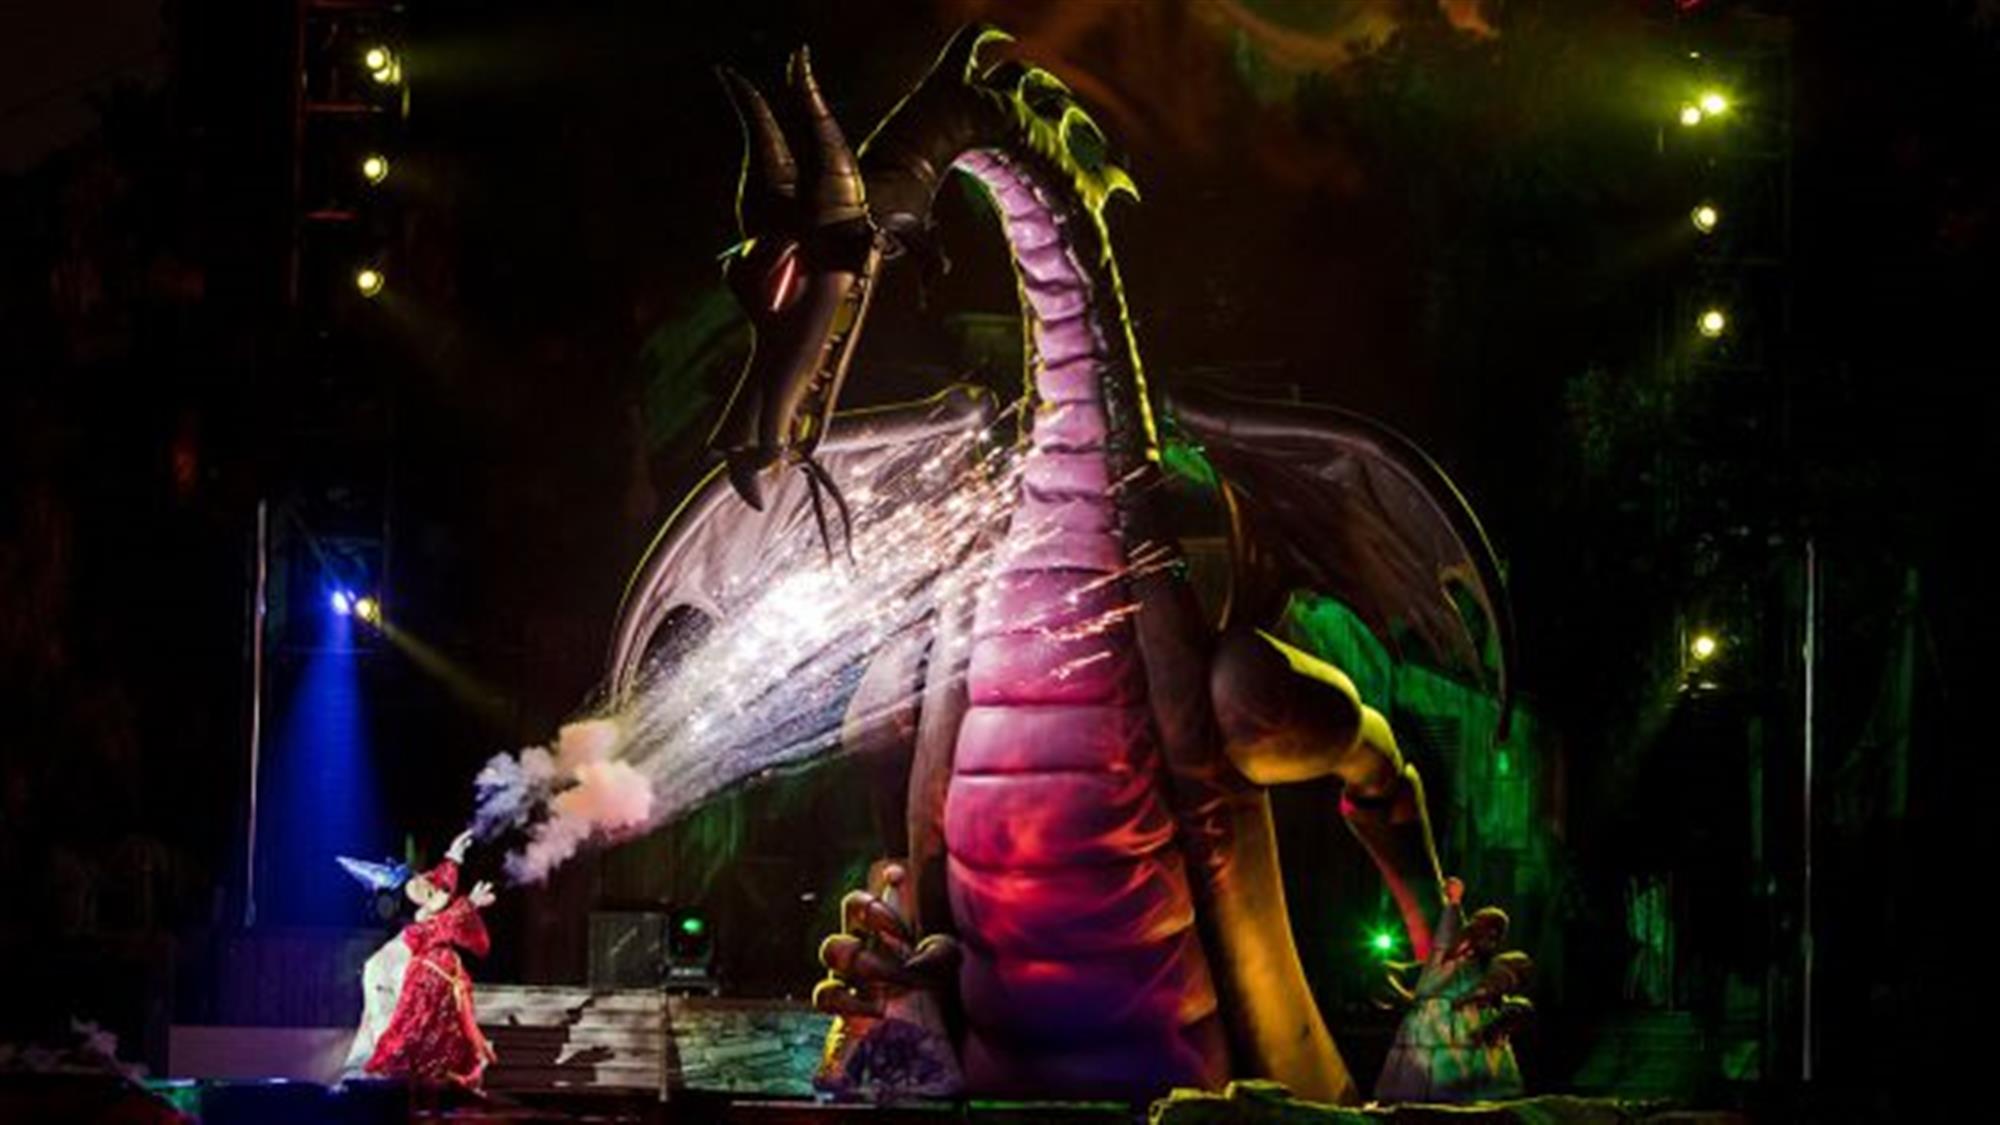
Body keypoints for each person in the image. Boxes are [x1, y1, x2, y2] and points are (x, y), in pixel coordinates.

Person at [1373, 876, 1531, 1104]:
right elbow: (1387, 970)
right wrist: (1404, 996)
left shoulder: (1491, 973)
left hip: (1474, 1058)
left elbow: (1514, 996)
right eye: (1480, 930)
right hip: (1426, 1052)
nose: (1486, 939)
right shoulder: (1441, 968)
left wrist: (1507, 1013)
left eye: (1494, 934)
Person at [364, 831, 499, 1089]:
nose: (432, 889)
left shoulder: (434, 912)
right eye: (421, 889)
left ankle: (450, 1081)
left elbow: (443, 890)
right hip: (426, 985)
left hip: (449, 981)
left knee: (452, 1039)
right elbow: (443, 919)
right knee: (419, 1034)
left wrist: (454, 857)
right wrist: (469, 902)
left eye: (427, 885)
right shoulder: (418, 928)